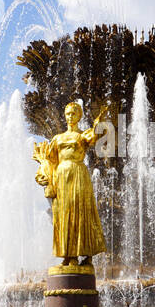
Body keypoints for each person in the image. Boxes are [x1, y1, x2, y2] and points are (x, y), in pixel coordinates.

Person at [33, 101, 107, 266]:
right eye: (68, 113)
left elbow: (94, 135)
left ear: (79, 116)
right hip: (61, 176)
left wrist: (100, 120)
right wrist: (43, 176)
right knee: (64, 213)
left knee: (82, 211)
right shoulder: (57, 138)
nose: (70, 116)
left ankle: (87, 254)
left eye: (74, 113)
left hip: (78, 173)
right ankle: (69, 255)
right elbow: (49, 160)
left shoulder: (82, 135)